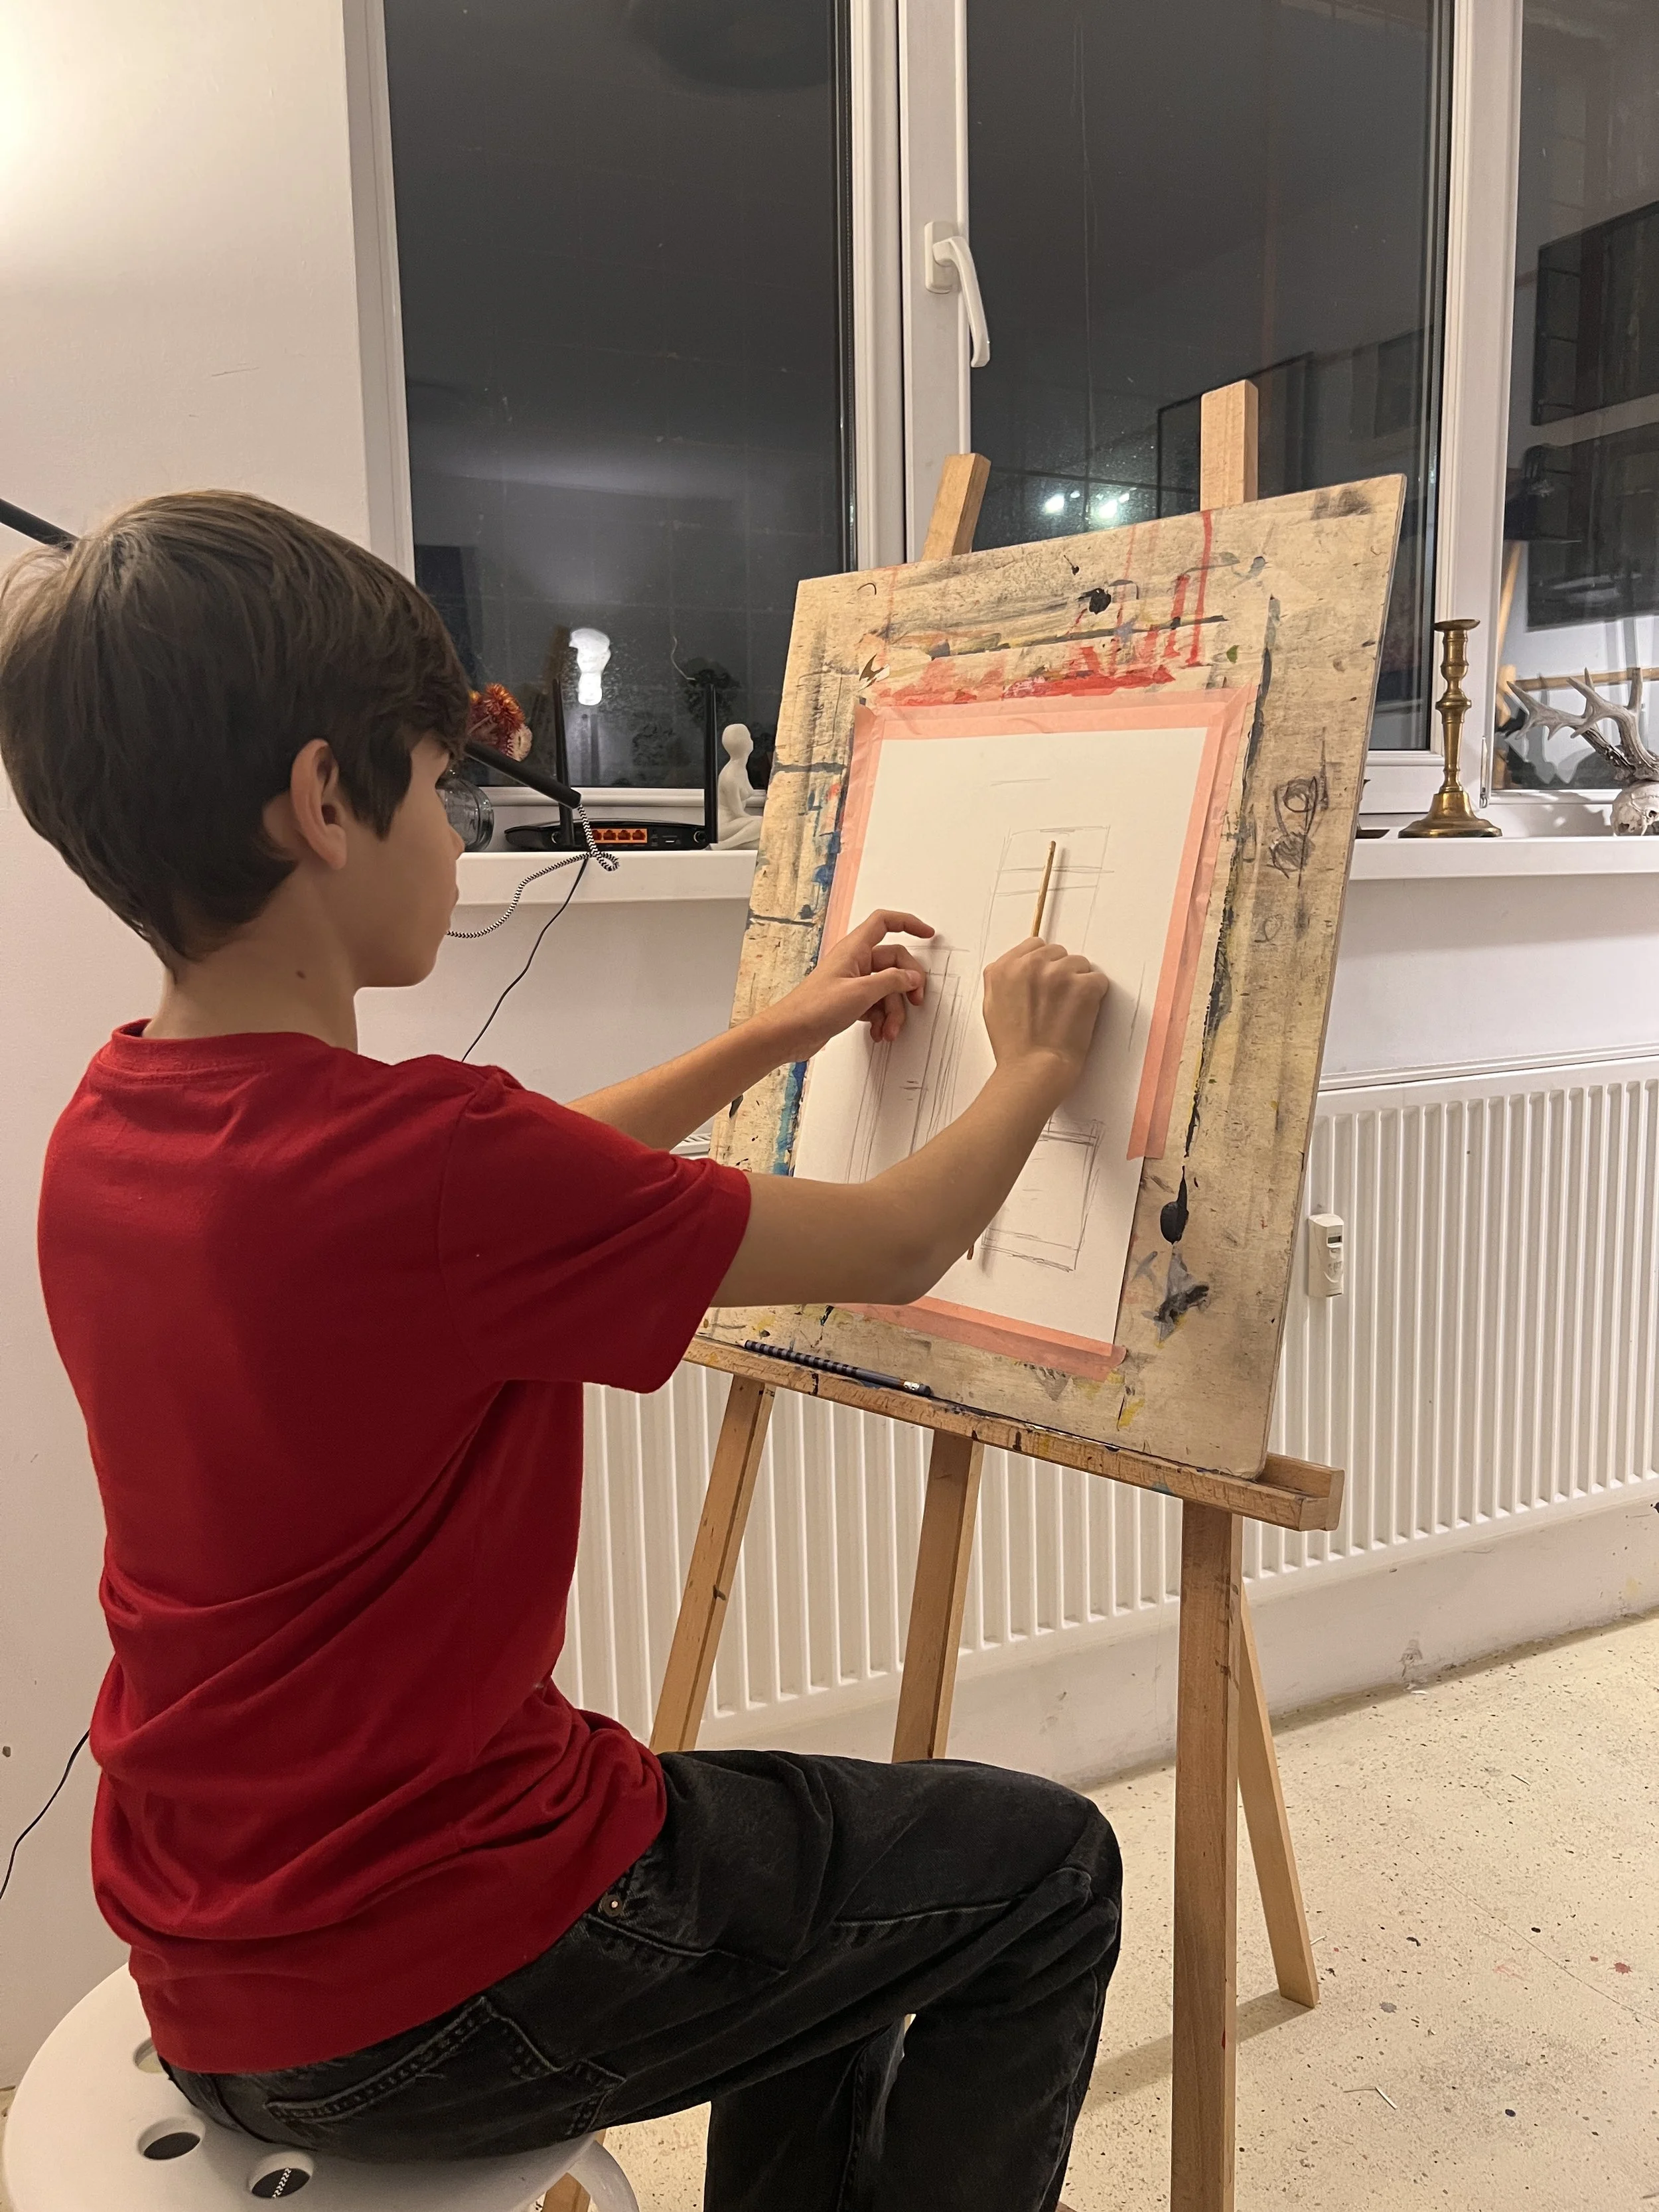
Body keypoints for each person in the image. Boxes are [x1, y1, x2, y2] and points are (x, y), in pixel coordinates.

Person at [0, 492, 1121, 2212]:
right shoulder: (435, 1172)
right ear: (322, 804)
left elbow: (516, 1170)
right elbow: (898, 1237)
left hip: (213, 1943)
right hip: (436, 1967)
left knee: (843, 1908)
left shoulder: (117, 1125)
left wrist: (776, 1028)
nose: (451, 834)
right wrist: (1036, 1063)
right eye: (434, 790)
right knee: (1042, 1867)